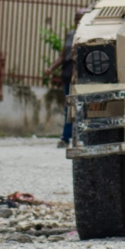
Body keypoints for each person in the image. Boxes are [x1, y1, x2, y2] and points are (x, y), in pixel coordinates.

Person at [47, 9, 88, 149]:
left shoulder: (90, 33)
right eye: (76, 18)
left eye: (80, 17)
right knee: (69, 106)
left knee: (84, 106)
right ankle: (66, 137)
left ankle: (82, 136)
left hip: (84, 72)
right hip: (69, 72)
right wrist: (51, 68)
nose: (78, 20)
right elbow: (63, 55)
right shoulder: (70, 35)